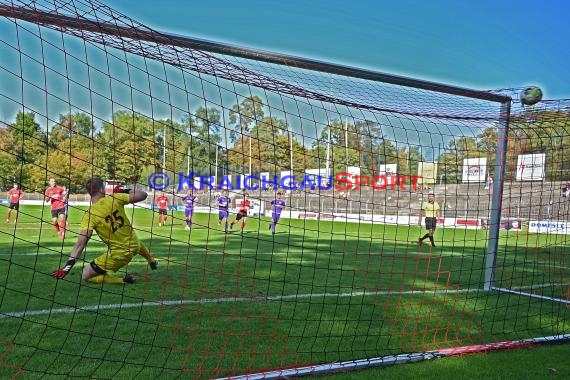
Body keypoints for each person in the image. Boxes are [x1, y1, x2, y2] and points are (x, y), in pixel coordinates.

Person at [51, 177, 158, 284]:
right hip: (135, 245)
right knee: (132, 239)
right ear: (102, 189)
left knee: (85, 274)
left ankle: (123, 280)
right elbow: (143, 195)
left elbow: (80, 245)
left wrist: (67, 268)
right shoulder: (115, 198)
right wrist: (123, 190)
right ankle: (150, 259)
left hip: (120, 255)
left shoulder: (90, 215)